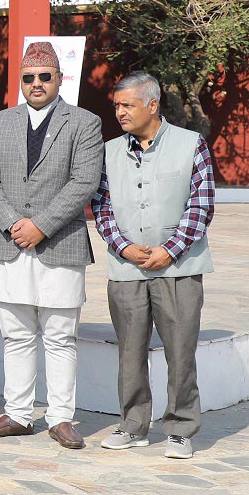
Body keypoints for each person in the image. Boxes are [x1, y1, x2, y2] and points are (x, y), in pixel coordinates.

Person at [0, 41, 103, 450]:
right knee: (15, 333)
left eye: (44, 76)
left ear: (59, 79)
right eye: (29, 77)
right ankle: (17, 413)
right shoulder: (2, 121)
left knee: (60, 334)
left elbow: (84, 181)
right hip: (10, 241)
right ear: (21, 81)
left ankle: (61, 417)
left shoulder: (84, 122)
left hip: (59, 242)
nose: (36, 83)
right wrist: (16, 223)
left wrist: (42, 226)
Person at [94, 72, 215, 460]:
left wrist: (171, 249)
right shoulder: (109, 150)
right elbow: (101, 206)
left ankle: (180, 429)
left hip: (178, 269)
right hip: (126, 269)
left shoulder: (190, 144)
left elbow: (202, 204)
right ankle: (133, 425)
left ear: (152, 104)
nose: (120, 112)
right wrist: (123, 246)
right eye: (116, 105)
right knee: (130, 352)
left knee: (181, 351)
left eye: (127, 105)